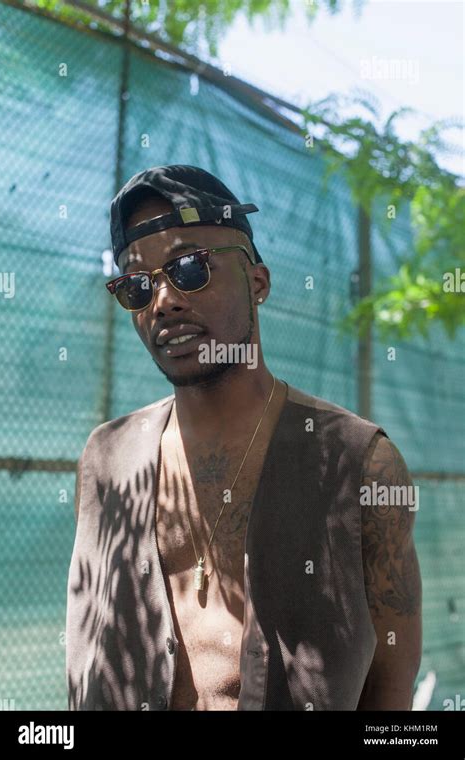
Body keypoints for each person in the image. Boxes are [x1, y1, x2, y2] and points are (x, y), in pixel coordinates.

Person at [66, 164, 422, 711]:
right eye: (137, 286)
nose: (162, 302)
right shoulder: (106, 462)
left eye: (189, 268)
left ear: (258, 282)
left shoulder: (359, 464)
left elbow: (393, 683)